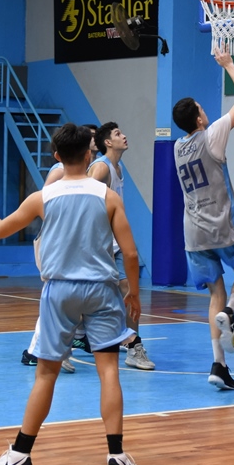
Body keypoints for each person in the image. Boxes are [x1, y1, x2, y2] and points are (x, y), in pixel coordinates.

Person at [0, 123, 142, 465]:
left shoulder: (43, 196)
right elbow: (129, 254)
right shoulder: (107, 196)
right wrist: (135, 294)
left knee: (45, 375)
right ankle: (116, 458)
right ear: (89, 153)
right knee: (109, 371)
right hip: (102, 290)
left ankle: (20, 455)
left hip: (59, 291)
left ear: (56, 156)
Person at [172, 45, 234, 390]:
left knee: (213, 294)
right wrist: (229, 65)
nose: (206, 112)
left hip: (192, 232)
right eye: (202, 110)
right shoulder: (211, 136)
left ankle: (218, 364)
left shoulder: (177, 147)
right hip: (221, 224)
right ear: (199, 119)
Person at [21, 123, 98, 374]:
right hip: (54, 243)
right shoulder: (58, 173)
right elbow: (48, 210)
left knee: (64, 300)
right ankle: (36, 351)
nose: (94, 143)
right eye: (92, 139)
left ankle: (53, 348)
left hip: (70, 246)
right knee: (56, 296)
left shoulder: (91, 174)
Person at [89, 121, 155, 370]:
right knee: (85, 296)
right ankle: (58, 342)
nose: (124, 136)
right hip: (97, 245)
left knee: (129, 291)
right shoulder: (100, 168)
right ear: (108, 142)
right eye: (118, 134)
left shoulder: (118, 167)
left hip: (112, 244)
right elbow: (85, 198)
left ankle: (133, 347)